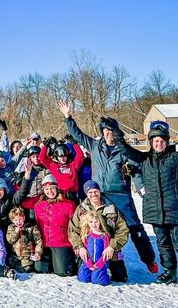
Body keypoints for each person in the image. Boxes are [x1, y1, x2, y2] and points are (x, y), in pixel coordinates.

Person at [58, 100, 158, 274]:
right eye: (105, 131)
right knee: (93, 225)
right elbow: (78, 134)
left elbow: (137, 169)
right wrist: (68, 117)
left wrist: (141, 187)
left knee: (134, 227)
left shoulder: (124, 150)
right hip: (99, 193)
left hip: (120, 194)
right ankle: (92, 259)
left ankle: (148, 259)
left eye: (111, 131)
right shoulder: (95, 146)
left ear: (116, 132)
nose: (108, 134)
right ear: (102, 133)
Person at [109, 118, 178, 292]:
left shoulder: (175, 158)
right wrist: (117, 133)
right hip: (155, 211)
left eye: (162, 141)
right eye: (156, 141)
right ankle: (169, 272)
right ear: (151, 142)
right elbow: (126, 149)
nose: (159, 143)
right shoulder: (144, 159)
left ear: (167, 142)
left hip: (175, 210)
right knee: (163, 243)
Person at [68, 180, 129, 282]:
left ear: (99, 191)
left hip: (108, 250)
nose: (93, 194)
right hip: (89, 251)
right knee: (84, 277)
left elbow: (123, 230)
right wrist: (80, 247)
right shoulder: (81, 209)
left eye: (95, 191)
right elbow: (72, 230)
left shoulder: (111, 208)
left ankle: (107, 267)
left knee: (120, 277)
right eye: (90, 192)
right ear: (87, 194)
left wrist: (112, 246)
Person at [34, 175, 76, 276]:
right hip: (44, 244)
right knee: (40, 269)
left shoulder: (68, 205)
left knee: (62, 272)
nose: (50, 191)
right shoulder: (38, 206)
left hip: (61, 242)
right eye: (47, 189)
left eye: (52, 188)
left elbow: (74, 226)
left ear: (57, 188)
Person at [76, 211, 112, 286]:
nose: (93, 224)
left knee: (97, 281)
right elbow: (85, 252)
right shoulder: (87, 235)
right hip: (88, 262)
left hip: (100, 263)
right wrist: (89, 264)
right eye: (91, 222)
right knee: (83, 278)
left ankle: (107, 274)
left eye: (96, 222)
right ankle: (91, 273)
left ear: (100, 222)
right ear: (88, 223)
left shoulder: (104, 236)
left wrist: (99, 264)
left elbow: (106, 254)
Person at [5, 206, 43, 273]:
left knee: (25, 270)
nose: (18, 222)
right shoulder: (11, 227)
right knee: (9, 266)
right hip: (15, 256)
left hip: (27, 256)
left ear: (24, 218)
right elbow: (10, 241)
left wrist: (38, 253)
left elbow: (39, 241)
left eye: (20, 219)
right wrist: (15, 232)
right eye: (15, 220)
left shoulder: (32, 227)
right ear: (12, 220)